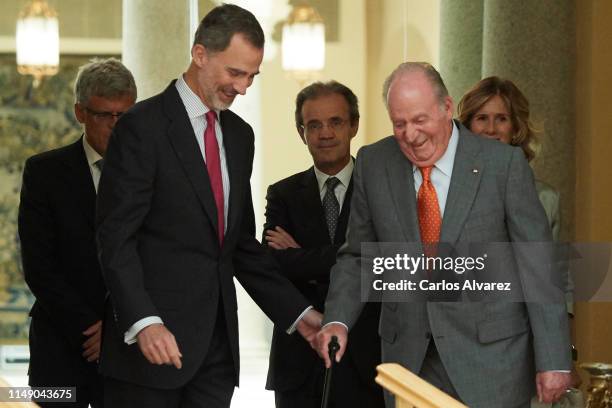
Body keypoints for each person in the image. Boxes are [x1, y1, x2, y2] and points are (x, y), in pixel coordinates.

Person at [96, 4, 320, 408]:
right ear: (200, 55)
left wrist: (299, 314)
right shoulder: (140, 128)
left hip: (216, 359)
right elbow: (115, 238)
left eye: (252, 76)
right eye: (235, 73)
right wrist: (144, 322)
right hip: (150, 355)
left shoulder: (240, 135)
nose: (244, 87)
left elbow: (239, 247)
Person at [315, 62, 572, 408]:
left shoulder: (503, 165)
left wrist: (553, 359)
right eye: (399, 123)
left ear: (447, 109)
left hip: (491, 360)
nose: (410, 134)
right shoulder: (374, 163)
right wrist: (337, 319)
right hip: (410, 360)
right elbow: (360, 256)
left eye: (420, 120)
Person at [18, 57, 136, 407]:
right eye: (104, 115)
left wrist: (113, 332)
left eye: (124, 115)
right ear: (80, 112)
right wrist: (91, 329)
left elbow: (155, 259)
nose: (116, 126)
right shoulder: (44, 172)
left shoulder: (149, 175)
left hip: (128, 351)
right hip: (60, 347)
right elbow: (39, 265)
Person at [457, 76, 582, 407]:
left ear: (516, 128)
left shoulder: (546, 198)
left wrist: (560, 355)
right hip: (463, 342)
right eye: (481, 118)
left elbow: (555, 282)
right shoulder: (445, 193)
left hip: (524, 343)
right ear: (467, 126)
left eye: (502, 118)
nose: (491, 129)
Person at [263, 81, 385, 408]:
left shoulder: (380, 191)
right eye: (314, 125)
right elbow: (272, 265)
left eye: (335, 122)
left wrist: (300, 257)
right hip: (299, 361)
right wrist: (349, 258)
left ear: (354, 125)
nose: (325, 133)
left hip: (367, 357)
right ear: (301, 132)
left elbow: (380, 262)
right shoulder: (283, 194)